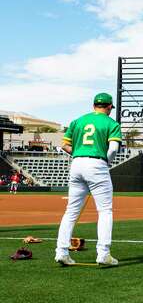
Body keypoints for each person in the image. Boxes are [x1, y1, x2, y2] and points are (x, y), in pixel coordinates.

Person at [55, 93, 122, 266]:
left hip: (76, 164)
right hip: (97, 164)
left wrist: (78, 155)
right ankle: (103, 254)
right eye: (110, 108)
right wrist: (105, 161)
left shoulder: (78, 121)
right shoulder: (111, 123)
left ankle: (61, 251)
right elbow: (113, 148)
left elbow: (64, 144)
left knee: (71, 211)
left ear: (94, 105)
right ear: (108, 107)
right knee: (105, 210)